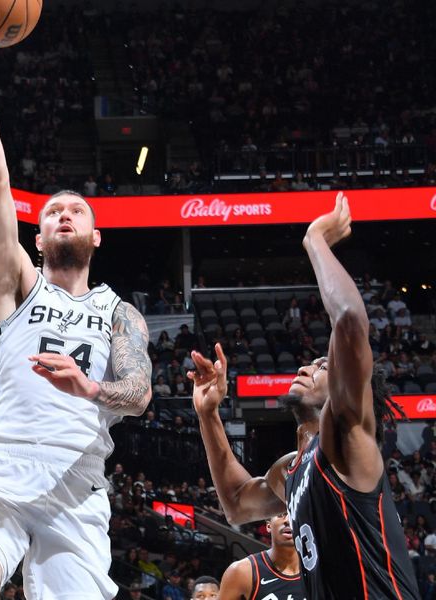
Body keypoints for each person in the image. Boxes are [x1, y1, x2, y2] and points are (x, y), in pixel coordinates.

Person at [0, 3, 152, 599]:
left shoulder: (120, 313)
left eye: (76, 211)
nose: (64, 214)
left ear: (95, 236)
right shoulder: (14, 281)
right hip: (1, 469)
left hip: (77, 483)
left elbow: (137, 395)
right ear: (36, 239)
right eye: (53, 212)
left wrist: (87, 388)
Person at [189, 194, 418, 599]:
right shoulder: (292, 469)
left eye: (322, 366)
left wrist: (315, 240)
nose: (305, 368)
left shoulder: (348, 441)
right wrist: (209, 415)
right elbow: (238, 504)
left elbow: (348, 322)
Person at [219, 511, 304, 600]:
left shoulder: (317, 570)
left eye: (293, 514)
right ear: (268, 526)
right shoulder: (240, 571)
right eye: (280, 515)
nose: (288, 520)